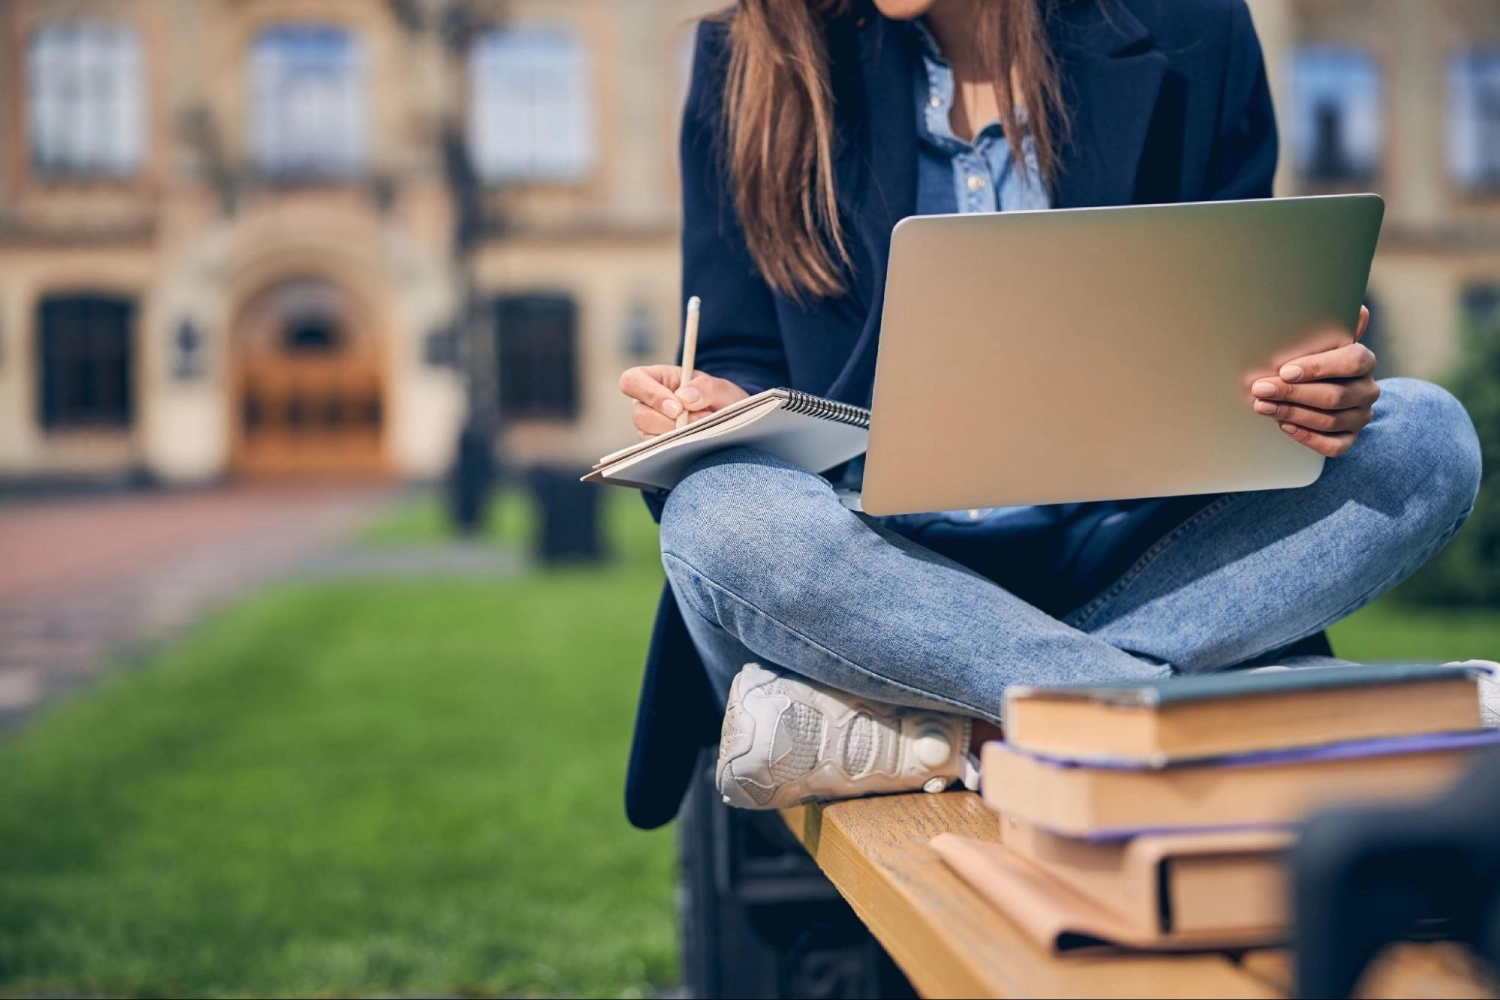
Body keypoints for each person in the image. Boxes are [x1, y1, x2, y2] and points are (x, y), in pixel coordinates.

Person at [616, 0, 1484, 826]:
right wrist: (719, 405)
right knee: (719, 515)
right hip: (874, 565)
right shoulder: (752, 60)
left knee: (1426, 436)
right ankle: (1162, 709)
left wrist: (1309, 394)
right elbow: (741, 353)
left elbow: (1244, 318)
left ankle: (933, 730)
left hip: (1136, 550)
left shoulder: (1191, 28)